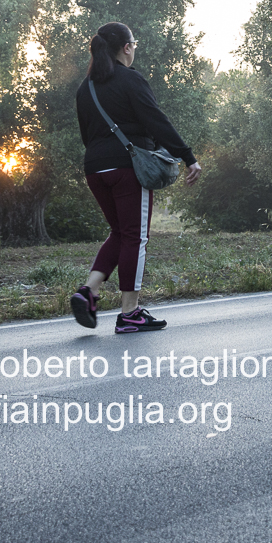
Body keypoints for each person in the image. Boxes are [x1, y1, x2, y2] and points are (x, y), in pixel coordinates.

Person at [70, 22, 202, 332]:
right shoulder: (130, 79)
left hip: (95, 168)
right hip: (127, 169)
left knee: (119, 232)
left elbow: (86, 135)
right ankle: (130, 313)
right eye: (134, 45)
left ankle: (89, 290)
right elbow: (156, 121)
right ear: (127, 47)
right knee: (135, 237)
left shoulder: (85, 88)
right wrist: (187, 157)